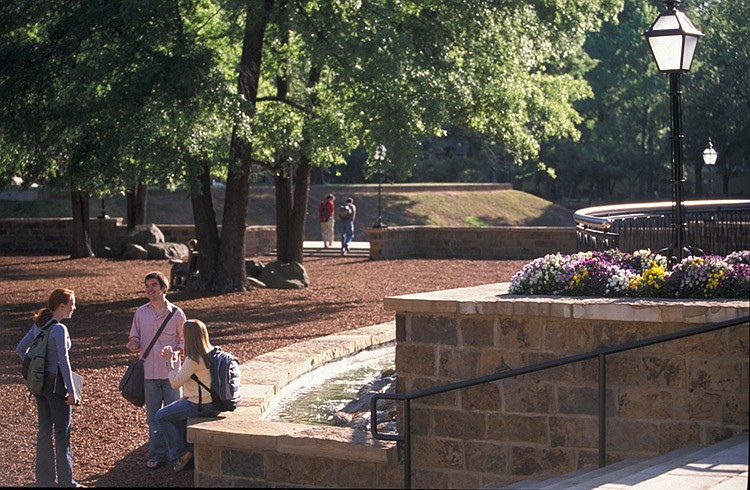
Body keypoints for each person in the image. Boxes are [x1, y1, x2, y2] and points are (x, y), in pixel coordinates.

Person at [16, 288, 82, 487]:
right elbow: (64, 361)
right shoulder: (59, 329)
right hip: (57, 386)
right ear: (62, 306)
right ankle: (66, 482)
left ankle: (44, 480)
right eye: (72, 304)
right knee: (62, 433)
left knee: (44, 432)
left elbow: (20, 349)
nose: (74, 307)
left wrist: (35, 366)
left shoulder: (39, 325)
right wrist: (71, 391)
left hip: (39, 385)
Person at [126, 271, 186, 470]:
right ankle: (156, 454)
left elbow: (183, 340)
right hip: (149, 374)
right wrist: (133, 344)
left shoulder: (177, 314)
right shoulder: (140, 312)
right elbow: (134, 336)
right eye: (147, 286)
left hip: (172, 375)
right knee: (153, 418)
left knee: (175, 416)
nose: (149, 289)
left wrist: (177, 353)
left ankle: (176, 455)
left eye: (153, 285)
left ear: (164, 289)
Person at [155, 319, 220, 471]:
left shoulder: (194, 358)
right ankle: (187, 454)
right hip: (213, 403)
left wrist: (168, 362)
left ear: (189, 336)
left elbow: (175, 383)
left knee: (161, 416)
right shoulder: (212, 352)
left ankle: (180, 454)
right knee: (176, 415)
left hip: (201, 405)